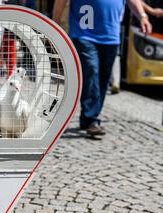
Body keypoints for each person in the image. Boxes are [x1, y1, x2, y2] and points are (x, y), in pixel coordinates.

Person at [53, 0, 152, 137]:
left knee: (102, 79)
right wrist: (55, 22)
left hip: (110, 36)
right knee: (91, 70)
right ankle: (92, 119)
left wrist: (143, 16)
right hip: (83, 34)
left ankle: (87, 118)